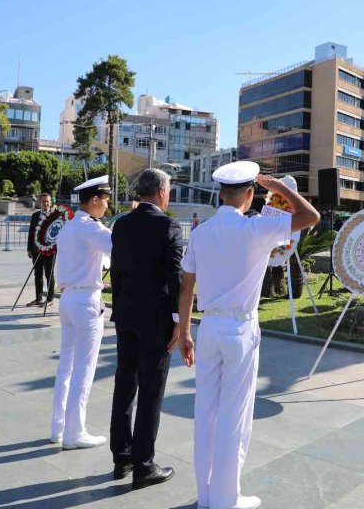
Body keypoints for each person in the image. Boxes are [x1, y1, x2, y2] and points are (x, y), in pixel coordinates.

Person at [177, 161, 320, 509]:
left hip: (207, 326)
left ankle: (206, 495)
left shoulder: (200, 232)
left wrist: (184, 332)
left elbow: (186, 288)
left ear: (221, 194)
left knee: (206, 410)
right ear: (249, 194)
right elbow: (310, 217)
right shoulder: (257, 229)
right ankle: (226, 498)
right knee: (234, 414)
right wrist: (281, 187)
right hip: (239, 327)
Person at [109, 168, 182, 489]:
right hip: (156, 321)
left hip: (125, 315)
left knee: (125, 383)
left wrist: (120, 308)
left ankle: (121, 457)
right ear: (162, 192)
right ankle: (144, 465)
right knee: (151, 391)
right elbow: (175, 277)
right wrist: (181, 321)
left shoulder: (121, 224)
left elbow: (116, 273)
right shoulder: (168, 225)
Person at [50, 175, 113, 450]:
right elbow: (121, 248)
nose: (107, 206)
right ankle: (76, 432)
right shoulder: (91, 228)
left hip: (67, 299)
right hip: (86, 301)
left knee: (66, 366)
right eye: (106, 200)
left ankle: (59, 428)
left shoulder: (68, 227)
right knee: (84, 369)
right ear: (95, 199)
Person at [27, 193, 55, 307]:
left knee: (49, 274)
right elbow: (31, 233)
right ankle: (38, 298)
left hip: (49, 250)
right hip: (36, 250)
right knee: (37, 274)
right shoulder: (35, 216)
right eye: (43, 201)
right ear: (40, 202)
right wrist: (29, 248)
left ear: (50, 202)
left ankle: (50, 299)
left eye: (47, 201)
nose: (46, 203)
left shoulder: (54, 216)